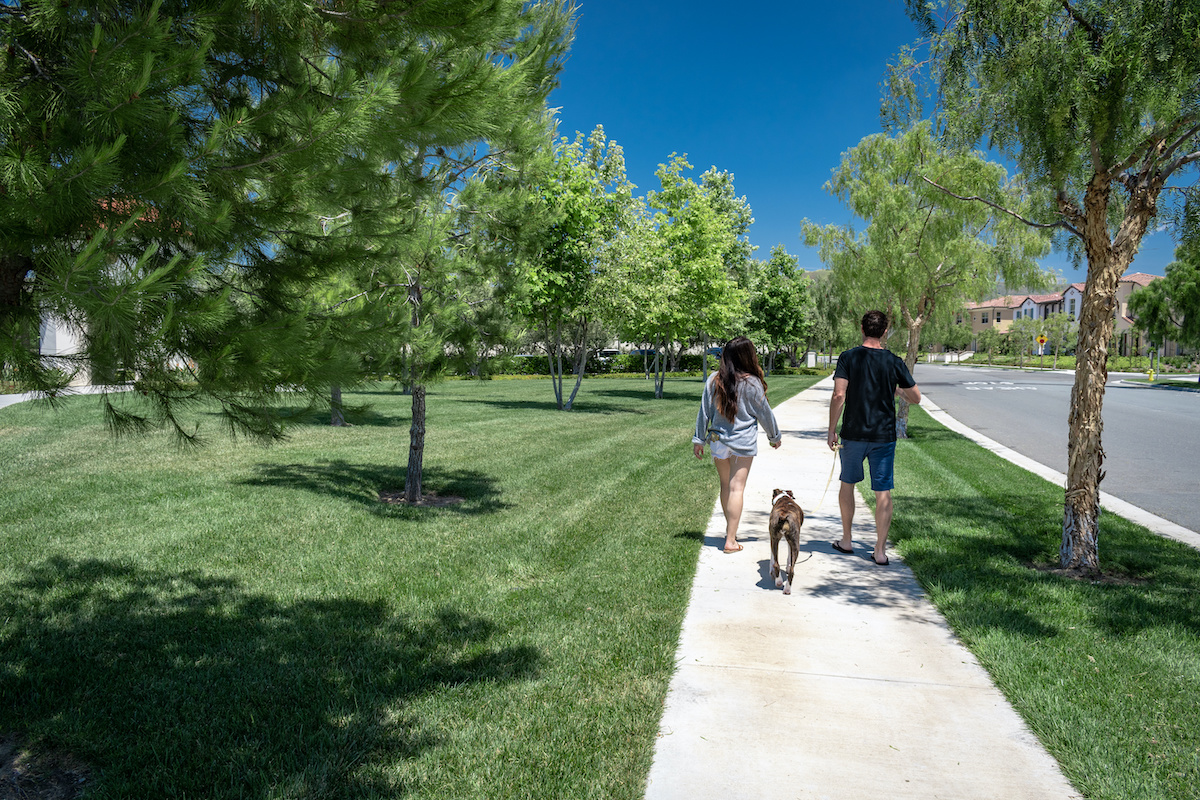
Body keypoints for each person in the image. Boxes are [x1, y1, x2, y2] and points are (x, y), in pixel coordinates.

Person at [827, 310, 921, 566]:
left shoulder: (848, 357)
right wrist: (897, 390)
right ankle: (879, 552)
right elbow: (916, 397)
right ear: (886, 331)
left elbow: (838, 395)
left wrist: (831, 429)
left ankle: (847, 540)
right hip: (883, 437)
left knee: (848, 483)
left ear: (861, 328)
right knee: (883, 491)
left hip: (853, 434)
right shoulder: (894, 361)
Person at [692, 336, 782, 553]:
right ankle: (731, 540)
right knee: (736, 488)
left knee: (726, 486)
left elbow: (704, 411)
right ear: (748, 356)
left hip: (718, 441)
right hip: (742, 442)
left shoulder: (714, 380)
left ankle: (730, 531)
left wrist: (698, 439)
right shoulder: (752, 383)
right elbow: (765, 414)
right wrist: (774, 437)